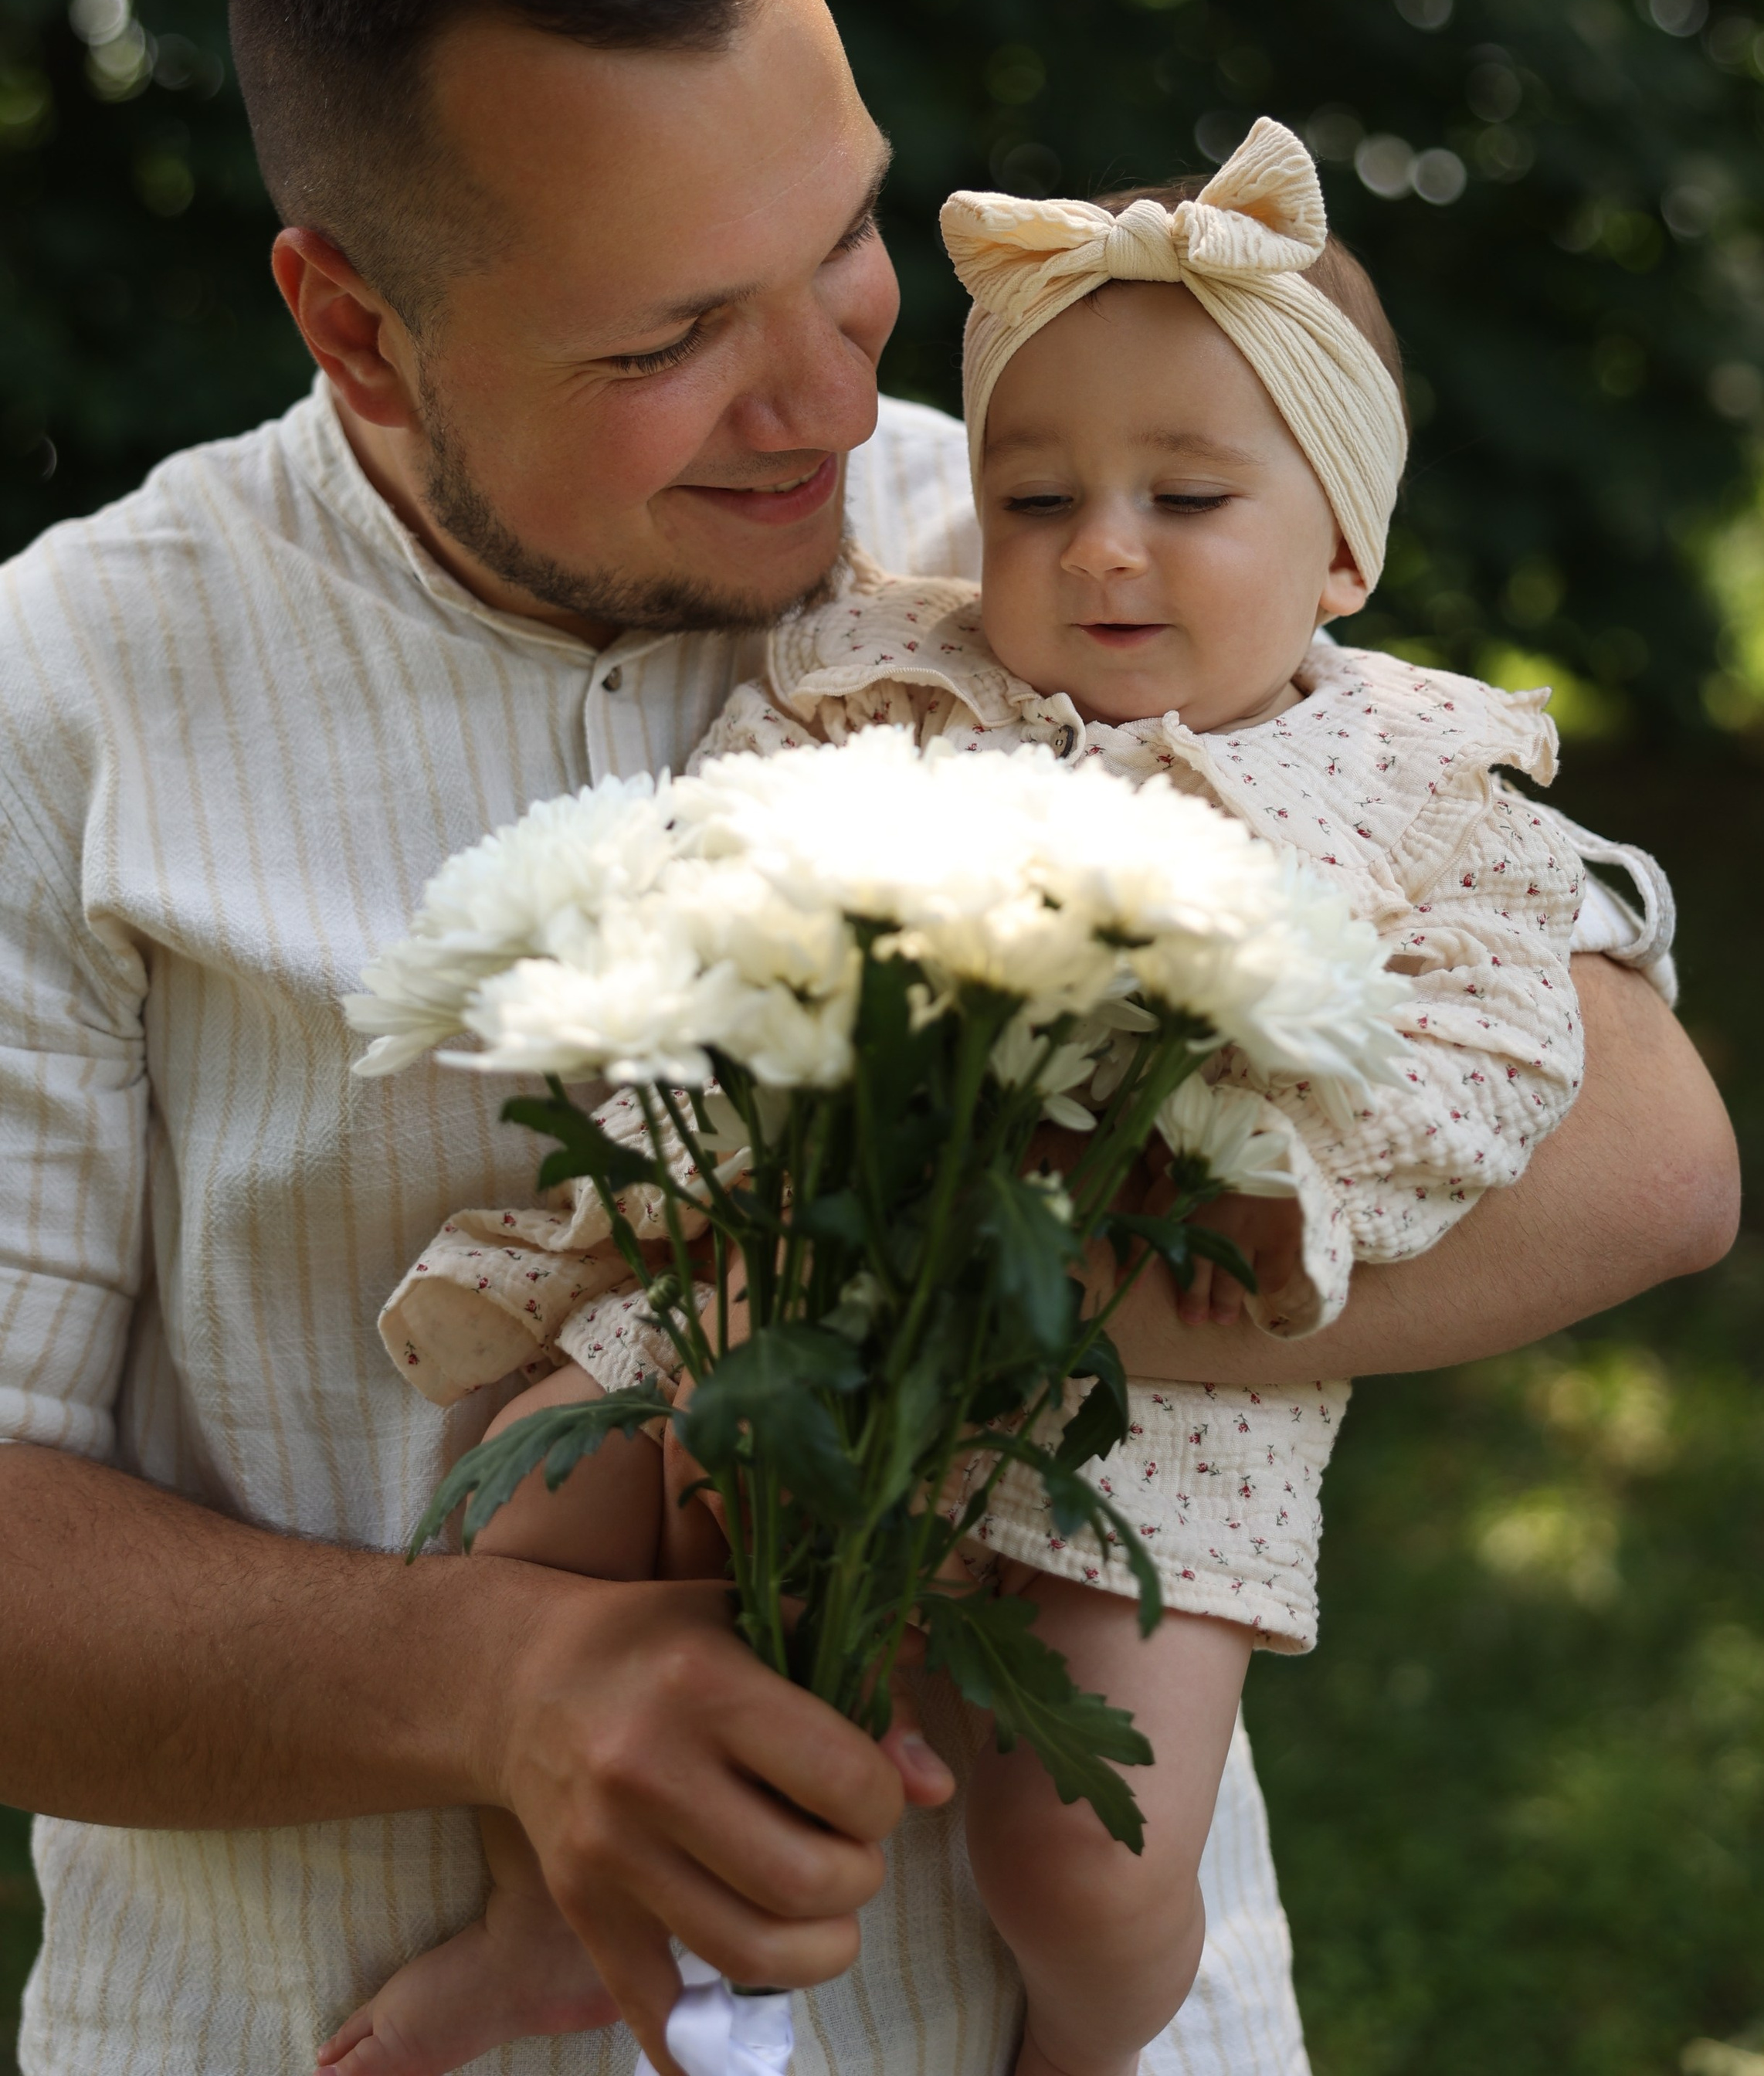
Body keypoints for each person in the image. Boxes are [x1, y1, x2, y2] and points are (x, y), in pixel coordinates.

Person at [0, 0, 1738, 2076]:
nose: (826, 399)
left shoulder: (1037, 522)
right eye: (662, 340)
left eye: (843, 242)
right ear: (357, 325)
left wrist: (939, 1286)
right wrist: (506, 1684)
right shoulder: (63, 698)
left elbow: (1641, 1137)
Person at [354, 117, 1670, 2076]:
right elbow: (720, 846)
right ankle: (542, 1920)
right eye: (1034, 496)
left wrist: (1288, 1182)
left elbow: (1498, 1044)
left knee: (1091, 1838)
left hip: (1145, 1401)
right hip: (789, 1270)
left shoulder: (1411, 787)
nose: (1099, 546)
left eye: (1187, 496)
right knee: (534, 1511)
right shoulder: (891, 675)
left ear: (1337, 550)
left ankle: (1080, 2046)